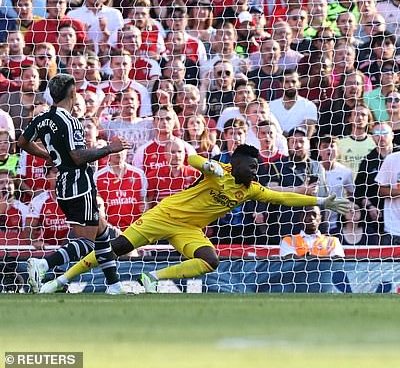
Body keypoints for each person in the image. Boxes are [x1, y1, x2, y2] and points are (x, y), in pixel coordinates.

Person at [39, 145, 351, 293]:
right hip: (164, 215)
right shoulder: (221, 172)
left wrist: (321, 200)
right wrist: (209, 165)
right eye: (251, 165)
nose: (255, 169)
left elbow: (283, 197)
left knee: (210, 259)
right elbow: (191, 158)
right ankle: (62, 280)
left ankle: (154, 279)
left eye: (257, 166)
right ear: (236, 163)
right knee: (116, 248)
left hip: (188, 229)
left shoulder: (251, 189)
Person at [17, 73, 131, 293]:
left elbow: (22, 141)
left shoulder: (43, 117)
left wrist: (46, 154)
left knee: (102, 233)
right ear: (72, 92)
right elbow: (78, 156)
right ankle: (43, 264)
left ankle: (114, 285)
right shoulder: (70, 121)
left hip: (63, 184)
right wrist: (109, 148)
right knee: (87, 243)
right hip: (80, 182)